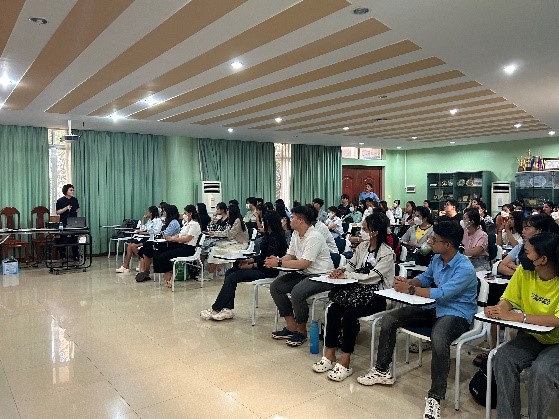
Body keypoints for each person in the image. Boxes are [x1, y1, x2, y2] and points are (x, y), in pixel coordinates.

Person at [357, 221, 477, 419]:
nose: (430, 241)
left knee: (439, 338)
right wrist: (409, 282)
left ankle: (435, 397)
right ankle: (382, 371)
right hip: (433, 307)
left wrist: (411, 290)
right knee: (390, 319)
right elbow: (426, 278)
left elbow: (443, 293)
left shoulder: (465, 268)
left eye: (434, 240)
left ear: (448, 245)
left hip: (456, 314)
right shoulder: (437, 259)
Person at [312, 213, 394, 381]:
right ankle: (329, 354)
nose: (361, 232)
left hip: (377, 296)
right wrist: (341, 271)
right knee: (333, 309)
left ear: (374, 231)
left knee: (350, 315)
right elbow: (351, 265)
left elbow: (373, 277)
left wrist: (348, 275)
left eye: (364, 229)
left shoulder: (387, 253)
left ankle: (345, 361)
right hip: (357, 292)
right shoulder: (363, 247)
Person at [486, 232, 559, 419]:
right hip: (534, 336)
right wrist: (499, 309)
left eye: (527, 253)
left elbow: (557, 319)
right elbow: (508, 299)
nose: (521, 257)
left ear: (543, 259)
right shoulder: (523, 272)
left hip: (557, 341)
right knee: (503, 357)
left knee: (542, 370)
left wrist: (517, 317)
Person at [266, 205, 334, 347]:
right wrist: (278, 260)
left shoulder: (314, 236)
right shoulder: (296, 234)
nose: (289, 219)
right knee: (276, 286)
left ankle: (301, 331)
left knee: (297, 292)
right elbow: (290, 255)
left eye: (292, 217)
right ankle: (291, 326)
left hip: (321, 276)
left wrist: (279, 262)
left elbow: (304, 263)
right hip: (305, 273)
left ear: (300, 220)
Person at [201, 211, 288, 321]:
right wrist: (250, 260)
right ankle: (227, 308)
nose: (261, 223)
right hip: (260, 266)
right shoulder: (268, 235)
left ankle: (216, 308)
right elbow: (262, 255)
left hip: (268, 270)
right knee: (230, 272)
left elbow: (269, 260)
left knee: (233, 277)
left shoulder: (276, 238)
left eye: (263, 221)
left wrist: (252, 265)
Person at [155, 205, 202, 287]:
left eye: (185, 213)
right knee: (157, 251)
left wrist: (172, 239)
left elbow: (187, 238)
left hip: (188, 249)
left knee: (163, 256)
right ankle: (167, 272)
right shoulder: (187, 223)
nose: (183, 215)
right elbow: (180, 235)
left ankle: (169, 273)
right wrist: (171, 238)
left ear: (190, 214)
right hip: (180, 245)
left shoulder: (195, 224)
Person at [135, 204, 181, 282]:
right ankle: (145, 271)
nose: (163, 213)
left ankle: (147, 271)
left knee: (148, 250)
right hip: (164, 242)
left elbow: (166, 234)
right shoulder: (168, 221)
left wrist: (161, 232)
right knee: (145, 249)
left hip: (170, 244)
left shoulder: (174, 222)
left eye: (165, 211)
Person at [116, 206, 163, 273]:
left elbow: (156, 232)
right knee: (130, 245)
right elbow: (143, 228)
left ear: (151, 213)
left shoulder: (158, 220)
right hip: (145, 237)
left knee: (133, 246)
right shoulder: (150, 220)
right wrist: (143, 220)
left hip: (151, 239)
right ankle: (126, 266)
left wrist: (143, 233)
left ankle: (142, 261)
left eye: (148, 212)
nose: (147, 213)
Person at [206, 204, 250, 276]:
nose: (227, 213)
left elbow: (230, 235)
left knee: (216, 250)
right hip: (234, 242)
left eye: (228, 211)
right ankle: (209, 271)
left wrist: (216, 234)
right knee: (214, 249)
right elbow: (226, 232)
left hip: (241, 244)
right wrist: (214, 233)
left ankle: (210, 273)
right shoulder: (233, 221)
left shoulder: (238, 221)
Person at [55, 183, 80, 260]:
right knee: (63, 239)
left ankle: (75, 255)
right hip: (64, 222)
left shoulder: (75, 200)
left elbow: (77, 209)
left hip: (73, 222)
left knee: (74, 238)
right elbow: (57, 212)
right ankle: (63, 256)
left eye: (73, 190)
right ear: (66, 191)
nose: (72, 191)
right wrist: (66, 208)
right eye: (71, 190)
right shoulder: (60, 201)